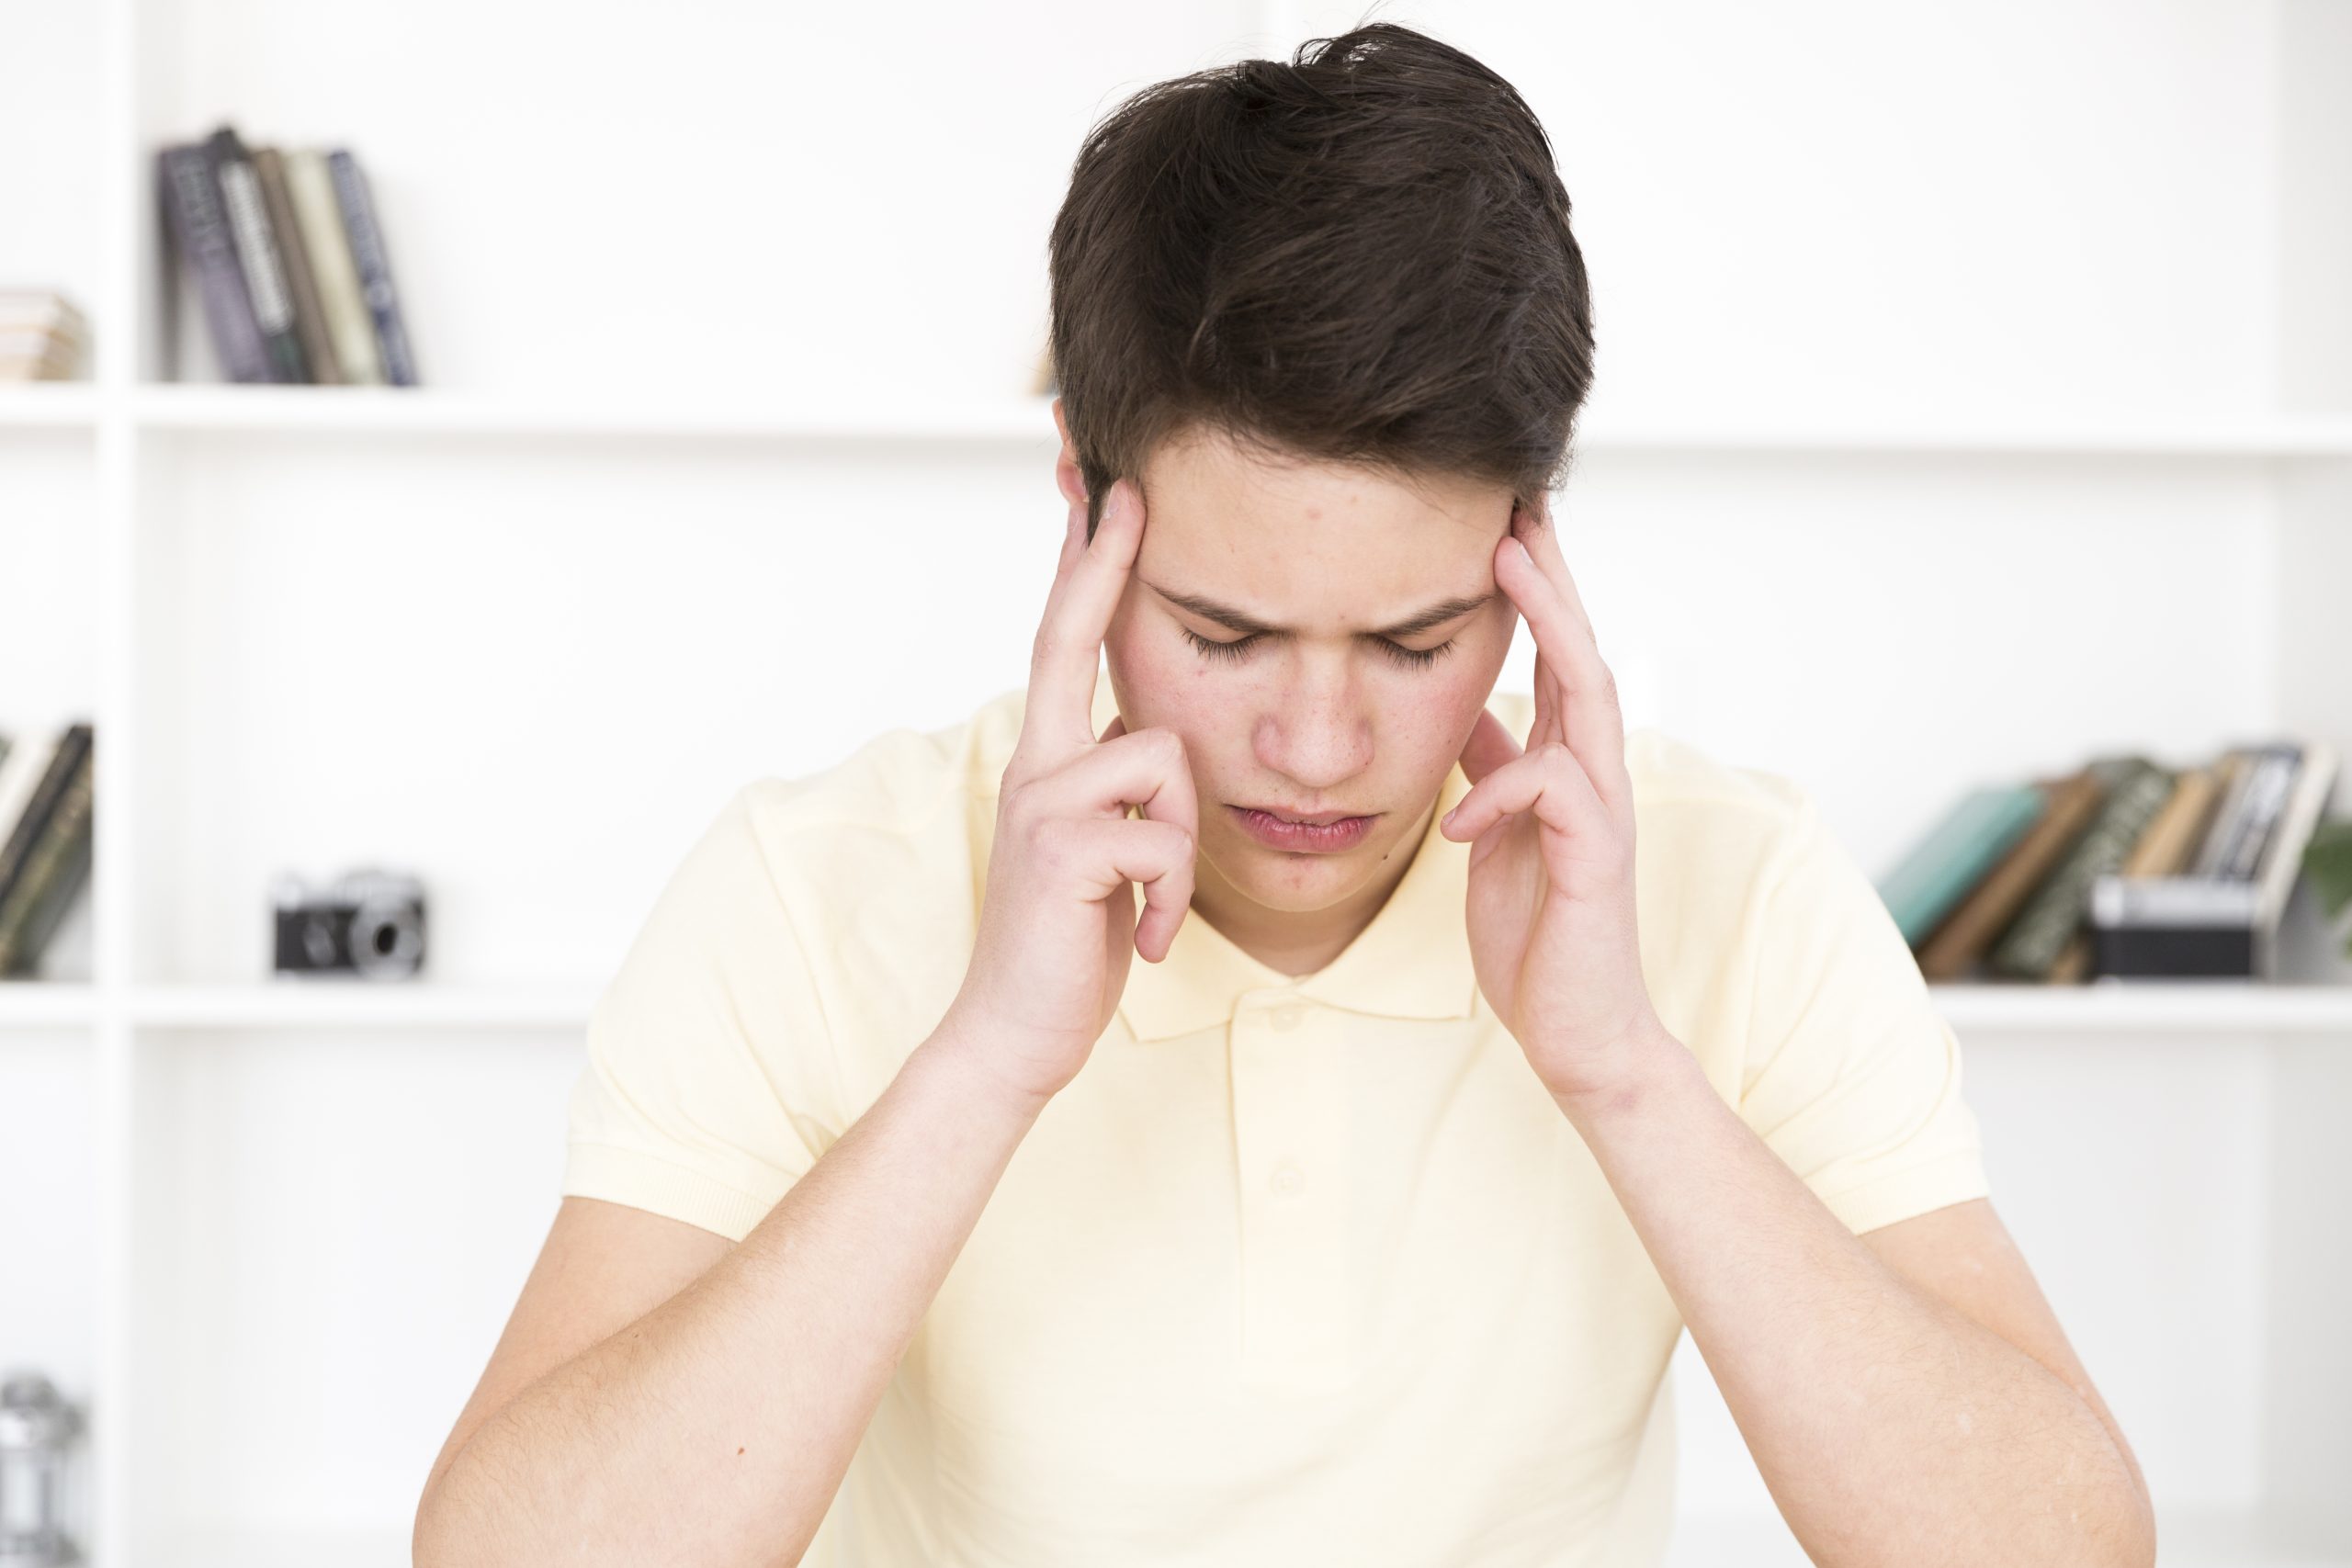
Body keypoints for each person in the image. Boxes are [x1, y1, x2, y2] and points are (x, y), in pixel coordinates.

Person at [413, 22, 2154, 1568]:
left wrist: (1624, 1070)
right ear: (1086, 514)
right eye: (1224, 635)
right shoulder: (815, 885)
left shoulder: (1729, 883)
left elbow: (2063, 1553)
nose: (1320, 750)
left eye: (1416, 640)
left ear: (1532, 549)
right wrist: (988, 1060)